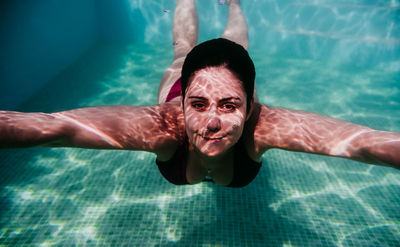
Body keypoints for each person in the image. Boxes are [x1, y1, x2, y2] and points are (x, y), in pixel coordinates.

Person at [0, 0, 399, 187]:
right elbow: (53, 127)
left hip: (221, 91)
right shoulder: (162, 126)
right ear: (184, 101)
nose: (211, 122)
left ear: (250, 106)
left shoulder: (264, 127)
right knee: (182, 52)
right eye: (198, 104)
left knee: (235, 43)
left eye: (229, 105)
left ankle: (233, 2)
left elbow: (362, 144)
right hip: (179, 82)